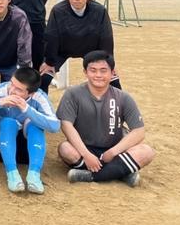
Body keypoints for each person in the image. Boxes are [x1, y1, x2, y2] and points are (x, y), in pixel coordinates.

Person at [56, 51, 156, 187]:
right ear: (85, 72)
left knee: (147, 152)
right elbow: (66, 125)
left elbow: (139, 131)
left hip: (115, 151)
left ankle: (90, 176)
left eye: (103, 71)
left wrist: (113, 152)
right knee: (65, 149)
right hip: (83, 149)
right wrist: (86, 154)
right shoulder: (73, 94)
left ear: (112, 73)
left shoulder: (123, 97)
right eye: (93, 70)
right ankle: (120, 173)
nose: (98, 75)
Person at [0, 67, 59, 194]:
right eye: (12, 84)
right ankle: (12, 174)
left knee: (34, 124)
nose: (12, 90)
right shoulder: (1, 91)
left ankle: (34, 175)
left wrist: (27, 109)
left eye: (19, 89)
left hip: (27, 149)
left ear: (31, 93)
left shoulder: (39, 96)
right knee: (8, 122)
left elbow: (55, 125)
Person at [40, 0, 118, 92]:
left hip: (91, 49)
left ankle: (114, 103)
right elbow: (52, 37)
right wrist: (49, 62)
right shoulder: (58, 11)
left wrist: (108, 62)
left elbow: (106, 38)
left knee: (113, 81)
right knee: (42, 79)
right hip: (62, 49)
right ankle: (41, 103)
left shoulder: (100, 11)